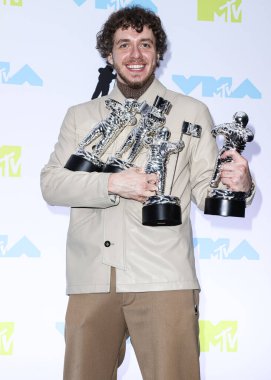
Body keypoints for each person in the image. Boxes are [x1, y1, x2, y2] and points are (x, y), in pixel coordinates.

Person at [40, 6, 255, 380]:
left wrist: (240, 186)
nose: (135, 55)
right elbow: (52, 184)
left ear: (158, 53)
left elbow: (207, 193)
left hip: (164, 279)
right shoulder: (81, 116)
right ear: (109, 53)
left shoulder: (192, 111)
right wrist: (112, 183)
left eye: (145, 44)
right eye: (124, 45)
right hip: (93, 280)